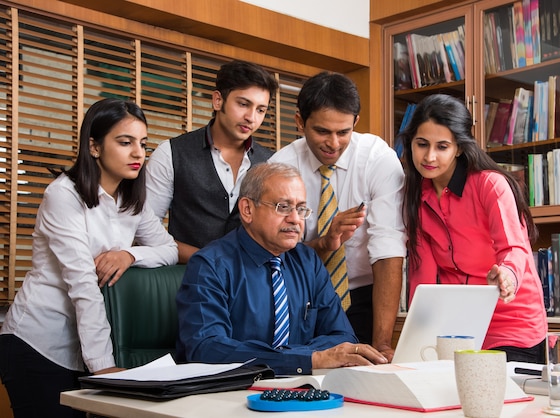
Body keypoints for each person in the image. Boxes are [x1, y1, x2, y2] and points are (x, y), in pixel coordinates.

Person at [0, 98, 178, 418]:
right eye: (125, 142)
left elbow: (169, 250)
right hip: (38, 342)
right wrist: (104, 367)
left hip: (84, 348)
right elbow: (83, 284)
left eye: (142, 143)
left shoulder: (132, 199)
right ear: (94, 147)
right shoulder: (63, 194)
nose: (138, 153)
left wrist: (129, 254)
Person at [176, 162, 388, 375]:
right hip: (230, 393)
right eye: (283, 207)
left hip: (303, 387)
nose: (295, 219)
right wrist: (305, 358)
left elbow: (343, 336)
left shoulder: (308, 262)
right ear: (247, 210)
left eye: (301, 209)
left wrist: (295, 359)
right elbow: (207, 348)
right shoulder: (210, 266)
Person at [400, 94, 548, 363]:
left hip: (511, 324)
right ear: (410, 143)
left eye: (442, 146)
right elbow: (422, 276)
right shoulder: (416, 197)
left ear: (458, 147)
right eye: (422, 144)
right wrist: (415, 338)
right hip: (459, 328)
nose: (429, 156)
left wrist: (506, 276)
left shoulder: (490, 185)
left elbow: (514, 248)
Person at [269, 72, 406, 361]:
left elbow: (388, 247)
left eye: (343, 132)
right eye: (322, 131)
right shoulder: (279, 168)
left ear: (355, 123)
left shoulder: (376, 158)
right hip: (302, 297)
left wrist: (382, 342)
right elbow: (276, 255)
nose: (333, 143)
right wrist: (324, 242)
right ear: (299, 121)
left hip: (366, 294)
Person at [146, 60, 279, 263]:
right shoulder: (171, 153)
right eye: (243, 104)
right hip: (188, 280)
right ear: (218, 101)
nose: (251, 117)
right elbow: (145, 230)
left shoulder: (271, 163)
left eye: (261, 110)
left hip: (250, 283)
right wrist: (207, 259)